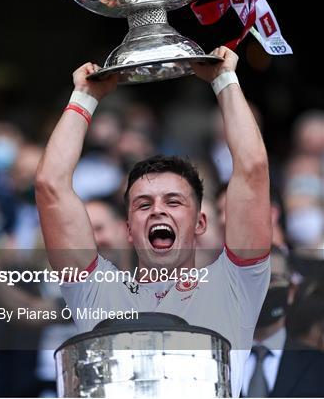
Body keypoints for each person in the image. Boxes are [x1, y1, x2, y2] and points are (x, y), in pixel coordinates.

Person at [35, 46, 272, 397]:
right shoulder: (97, 291)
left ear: (201, 223)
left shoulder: (235, 286)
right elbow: (50, 186)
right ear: (129, 229)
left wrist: (224, 79)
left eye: (174, 202)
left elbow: (252, 172)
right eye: (144, 204)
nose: (158, 210)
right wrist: (85, 97)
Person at [241, 245, 324, 397]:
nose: (262, 288)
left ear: (291, 291)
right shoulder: (215, 359)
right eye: (253, 279)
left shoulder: (317, 366)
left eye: (273, 280)